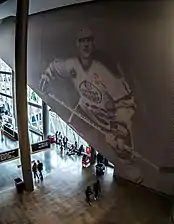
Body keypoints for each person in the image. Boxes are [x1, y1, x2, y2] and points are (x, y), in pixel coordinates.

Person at [39, 28, 142, 183]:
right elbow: (55, 66)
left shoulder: (105, 69)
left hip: (110, 115)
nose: (85, 44)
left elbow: (126, 102)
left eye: (88, 40)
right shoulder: (72, 64)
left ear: (93, 43)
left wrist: (119, 128)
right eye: (82, 41)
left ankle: (128, 165)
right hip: (86, 107)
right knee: (74, 123)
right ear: (77, 44)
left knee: (118, 144)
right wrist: (46, 77)